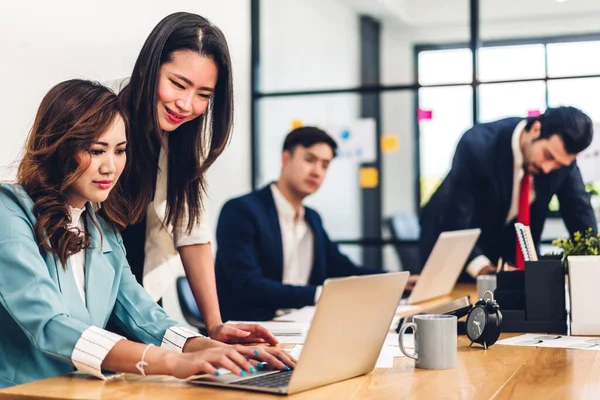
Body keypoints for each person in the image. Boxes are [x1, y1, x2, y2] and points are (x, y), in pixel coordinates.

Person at [0, 80, 294, 389]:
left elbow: (142, 314)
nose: (110, 167)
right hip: (22, 393)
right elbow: (50, 324)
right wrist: (173, 362)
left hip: (79, 391)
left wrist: (212, 348)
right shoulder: (9, 212)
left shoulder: (101, 227)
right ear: (59, 147)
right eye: (96, 150)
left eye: (120, 150)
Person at [112, 12, 274, 344]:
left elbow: (192, 233)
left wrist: (215, 325)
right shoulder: (103, 119)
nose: (186, 105)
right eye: (178, 83)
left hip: (137, 296)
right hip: (86, 292)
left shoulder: (183, 137)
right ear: (148, 68)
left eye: (204, 94)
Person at [214, 127, 414, 322]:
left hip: (303, 323)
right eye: (310, 160)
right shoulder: (241, 211)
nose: (317, 171)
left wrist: (397, 281)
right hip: (253, 327)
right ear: (286, 158)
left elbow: (343, 268)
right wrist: (321, 294)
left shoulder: (312, 219)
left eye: (325, 165)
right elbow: (248, 285)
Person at [419, 106, 597, 281]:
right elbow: (455, 217)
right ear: (536, 129)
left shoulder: (563, 162)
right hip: (449, 253)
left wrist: (592, 261)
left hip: (502, 259)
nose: (547, 168)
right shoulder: (477, 145)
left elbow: (580, 213)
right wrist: (484, 269)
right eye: (547, 155)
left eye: (558, 164)